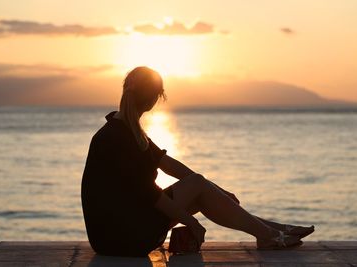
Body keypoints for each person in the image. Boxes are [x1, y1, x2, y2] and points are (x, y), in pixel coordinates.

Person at [81, 66, 314, 257]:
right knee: (199, 185)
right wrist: (191, 222)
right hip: (120, 239)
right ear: (154, 99)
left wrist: (218, 191)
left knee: (200, 186)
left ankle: (273, 231)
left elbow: (168, 164)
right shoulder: (117, 137)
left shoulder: (125, 130)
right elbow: (150, 194)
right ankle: (269, 235)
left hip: (119, 231)